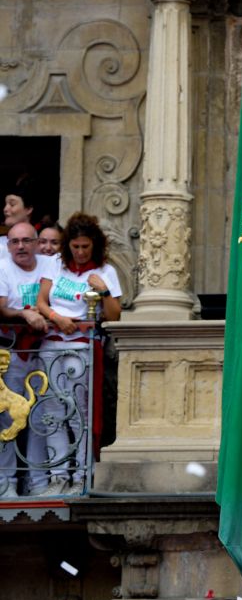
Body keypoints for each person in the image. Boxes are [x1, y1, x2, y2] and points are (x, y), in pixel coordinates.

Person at [34, 212, 121, 496]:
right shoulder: (56, 267)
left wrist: (104, 290)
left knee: (79, 414)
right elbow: (41, 302)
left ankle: (82, 473)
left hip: (81, 347)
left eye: (85, 246)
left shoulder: (106, 271)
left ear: (94, 245)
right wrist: (56, 317)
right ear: (68, 245)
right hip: (52, 343)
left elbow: (114, 315)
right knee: (52, 412)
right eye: (75, 246)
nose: (80, 252)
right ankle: (58, 475)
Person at [0, 222, 57, 496]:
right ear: (8, 245)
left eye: (26, 241)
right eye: (14, 242)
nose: (20, 246)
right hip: (11, 354)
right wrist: (25, 313)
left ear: (36, 242)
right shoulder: (3, 267)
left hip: (46, 351)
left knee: (40, 418)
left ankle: (40, 483)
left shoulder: (50, 264)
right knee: (8, 419)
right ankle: (6, 483)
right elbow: (0, 308)